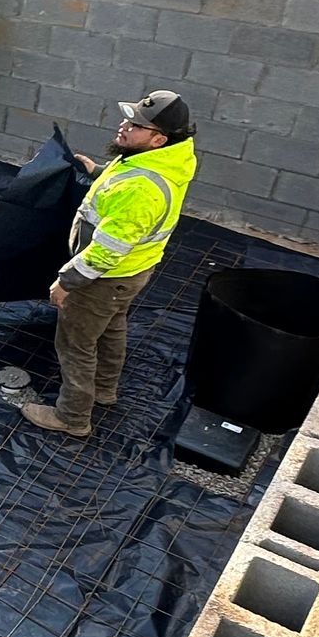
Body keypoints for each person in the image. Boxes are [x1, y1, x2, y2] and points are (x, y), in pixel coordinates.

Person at [21, 90, 198, 439]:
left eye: (135, 126)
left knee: (75, 343)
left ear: (157, 139)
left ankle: (72, 416)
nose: (124, 127)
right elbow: (128, 181)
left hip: (103, 278)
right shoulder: (160, 160)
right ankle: (104, 389)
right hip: (130, 275)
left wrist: (66, 282)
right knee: (112, 327)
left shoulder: (139, 189)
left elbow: (105, 252)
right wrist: (98, 170)